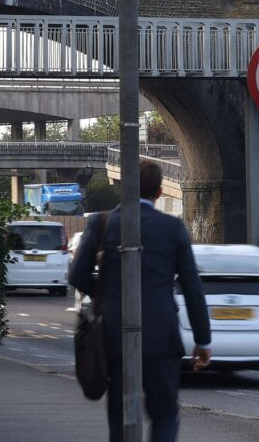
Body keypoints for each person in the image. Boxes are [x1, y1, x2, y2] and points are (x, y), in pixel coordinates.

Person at [69, 161, 212, 442]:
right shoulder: (172, 227)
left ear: (124, 187)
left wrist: (107, 295)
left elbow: (77, 274)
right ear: (159, 192)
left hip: (115, 337)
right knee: (165, 414)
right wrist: (203, 340)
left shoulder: (102, 223)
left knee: (120, 414)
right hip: (162, 338)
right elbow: (192, 286)